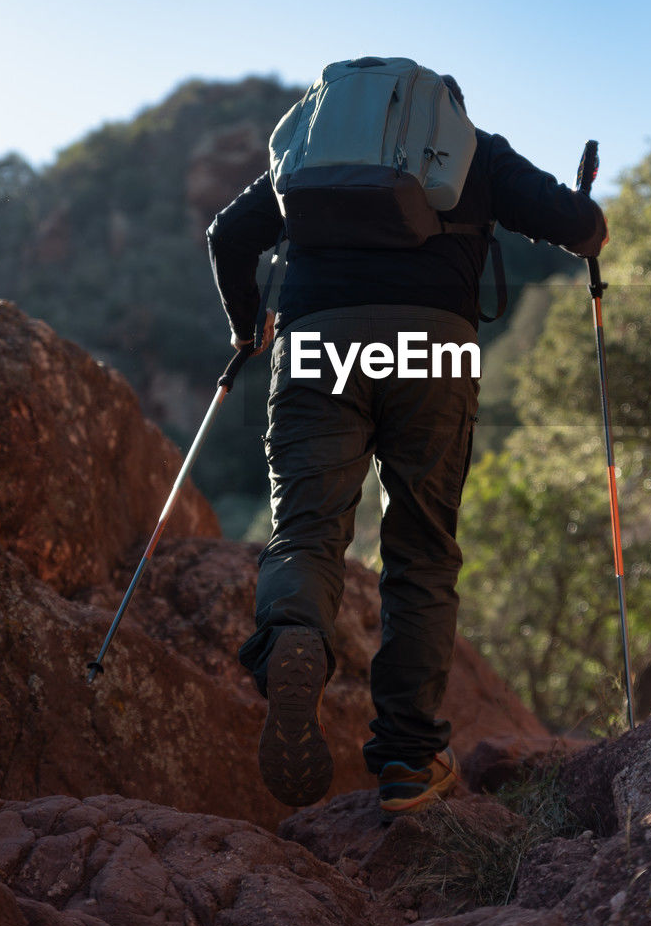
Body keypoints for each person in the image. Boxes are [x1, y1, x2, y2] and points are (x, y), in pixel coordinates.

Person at [207, 71, 607, 818]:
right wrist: (586, 212)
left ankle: (296, 632)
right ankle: (407, 761)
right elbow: (579, 230)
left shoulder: (305, 156)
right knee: (420, 550)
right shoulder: (473, 152)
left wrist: (246, 326)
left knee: (305, 532)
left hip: (316, 347)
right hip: (435, 352)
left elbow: (228, 236)